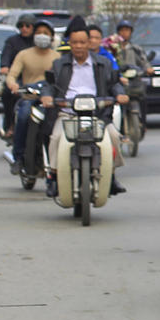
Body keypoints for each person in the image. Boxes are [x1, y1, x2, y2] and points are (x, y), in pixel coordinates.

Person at [41, 17, 129, 197]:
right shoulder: (59, 64)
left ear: (89, 42)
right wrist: (47, 96)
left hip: (97, 115)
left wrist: (120, 94)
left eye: (82, 42)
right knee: (56, 138)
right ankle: (54, 177)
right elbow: (49, 84)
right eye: (75, 42)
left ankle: (110, 176)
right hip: (67, 114)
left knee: (113, 136)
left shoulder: (103, 63)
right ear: (69, 44)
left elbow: (114, 83)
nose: (79, 46)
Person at [4, 20, 59, 172]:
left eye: (46, 33)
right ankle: (19, 157)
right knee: (22, 116)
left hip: (49, 101)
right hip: (29, 98)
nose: (42, 36)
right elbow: (12, 75)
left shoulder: (57, 57)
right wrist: (13, 84)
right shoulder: (24, 54)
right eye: (39, 33)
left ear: (52, 37)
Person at [0, 14, 36, 139]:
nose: (24, 28)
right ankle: (10, 125)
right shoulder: (12, 41)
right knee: (9, 94)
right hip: (17, 78)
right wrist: (4, 66)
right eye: (21, 26)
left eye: (28, 26)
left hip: (36, 79)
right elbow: (6, 55)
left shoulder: (38, 42)